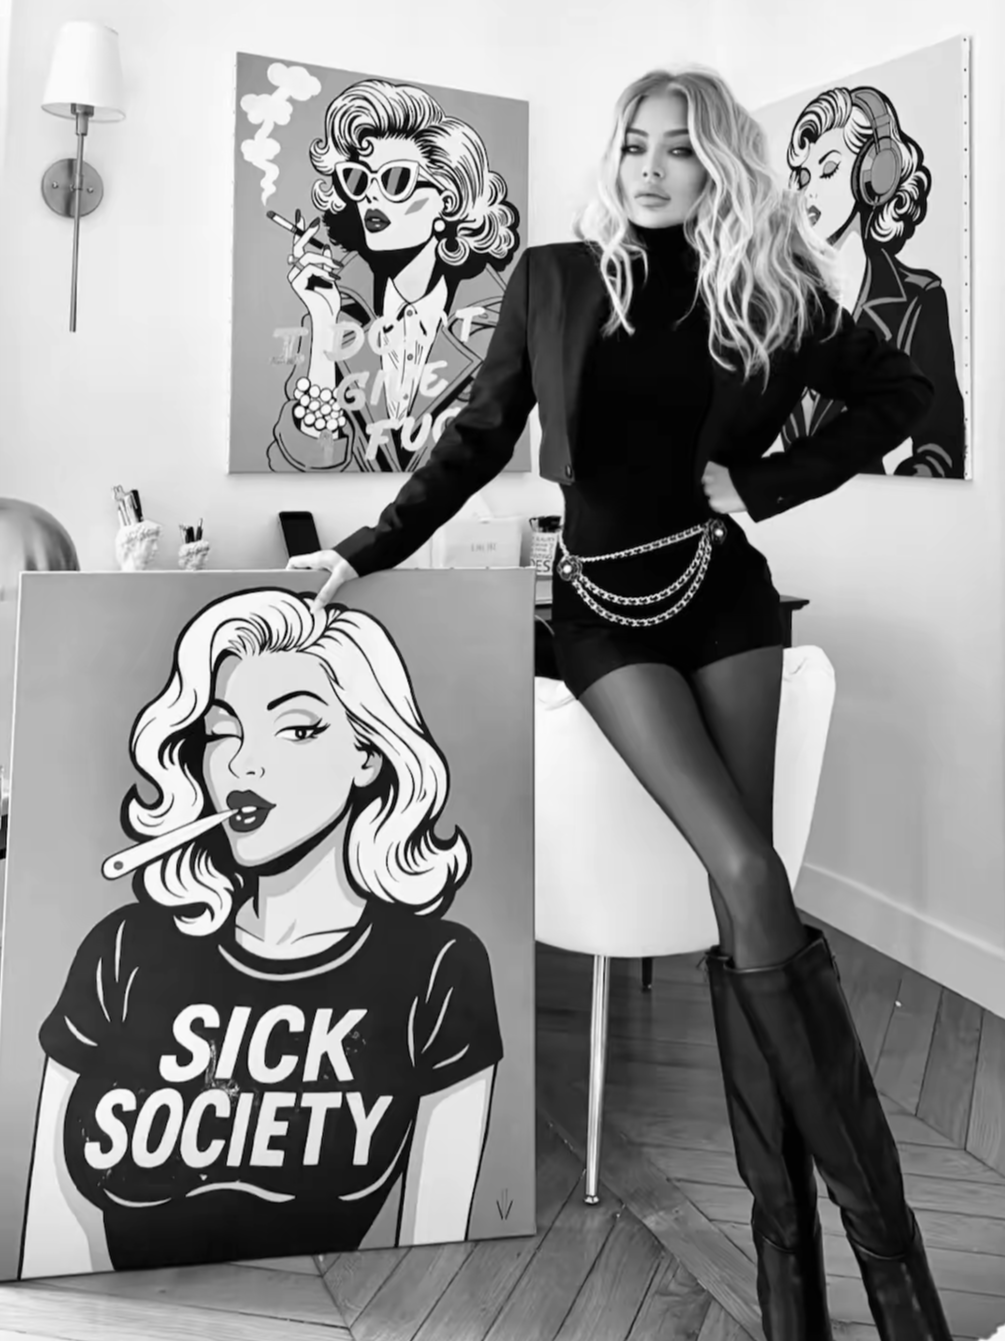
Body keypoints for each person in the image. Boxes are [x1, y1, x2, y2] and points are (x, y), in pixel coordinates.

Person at [287, 67, 949, 1341]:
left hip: (725, 595)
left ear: (717, 167)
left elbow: (898, 395)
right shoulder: (553, 278)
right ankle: (895, 1270)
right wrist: (366, 549)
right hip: (603, 613)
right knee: (747, 868)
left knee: (746, 901)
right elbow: (477, 437)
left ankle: (794, 1271)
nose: (650, 167)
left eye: (679, 150)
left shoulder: (768, 284)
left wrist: (765, 483)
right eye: (636, 145)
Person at [20, 589, 501, 1278]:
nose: (244, 763)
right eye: (223, 732)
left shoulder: (438, 969)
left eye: (296, 729)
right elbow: (54, 1221)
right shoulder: (125, 949)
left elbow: (436, 1239)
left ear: (368, 754)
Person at [269, 77, 521, 474]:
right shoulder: (338, 311)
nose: (371, 195)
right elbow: (308, 463)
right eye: (357, 179)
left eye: (396, 179)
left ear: (447, 201)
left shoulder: (497, 325)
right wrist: (324, 324)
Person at [785, 84, 966, 478]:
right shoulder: (785, 305)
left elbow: (941, 446)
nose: (809, 192)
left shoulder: (919, 301)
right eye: (803, 176)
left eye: (829, 169)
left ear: (874, 178)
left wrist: (904, 489)